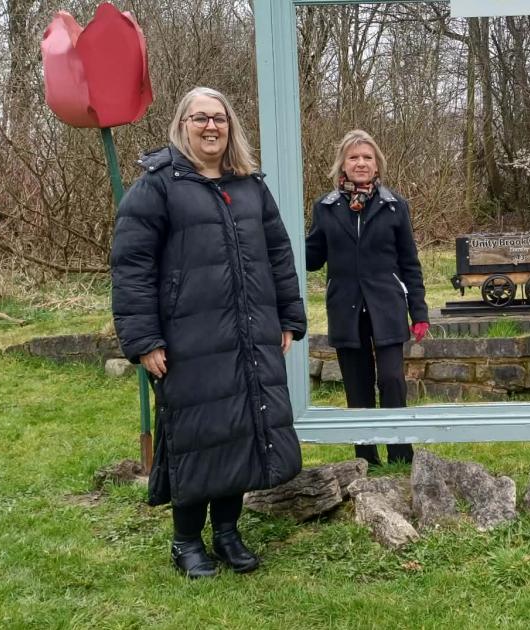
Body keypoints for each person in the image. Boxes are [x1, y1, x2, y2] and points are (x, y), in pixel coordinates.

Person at [111, 87, 307, 579]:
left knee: (241, 429)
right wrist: (144, 339)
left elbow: (279, 256)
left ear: (230, 126)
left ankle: (227, 532)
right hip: (187, 340)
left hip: (250, 333)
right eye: (200, 118)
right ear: (182, 125)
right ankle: (185, 542)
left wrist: (288, 316)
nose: (211, 127)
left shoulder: (249, 186)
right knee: (195, 436)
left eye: (219, 118)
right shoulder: (155, 187)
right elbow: (131, 268)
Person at [306, 129, 429, 467]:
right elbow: (312, 257)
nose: (360, 163)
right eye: (353, 157)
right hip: (345, 307)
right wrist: (280, 237)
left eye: (367, 157)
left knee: (391, 379)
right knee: (357, 388)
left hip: (386, 306)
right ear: (342, 166)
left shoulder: (394, 206)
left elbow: (409, 262)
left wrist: (419, 311)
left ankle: (401, 456)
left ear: (377, 165)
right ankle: (367, 460)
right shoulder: (326, 208)